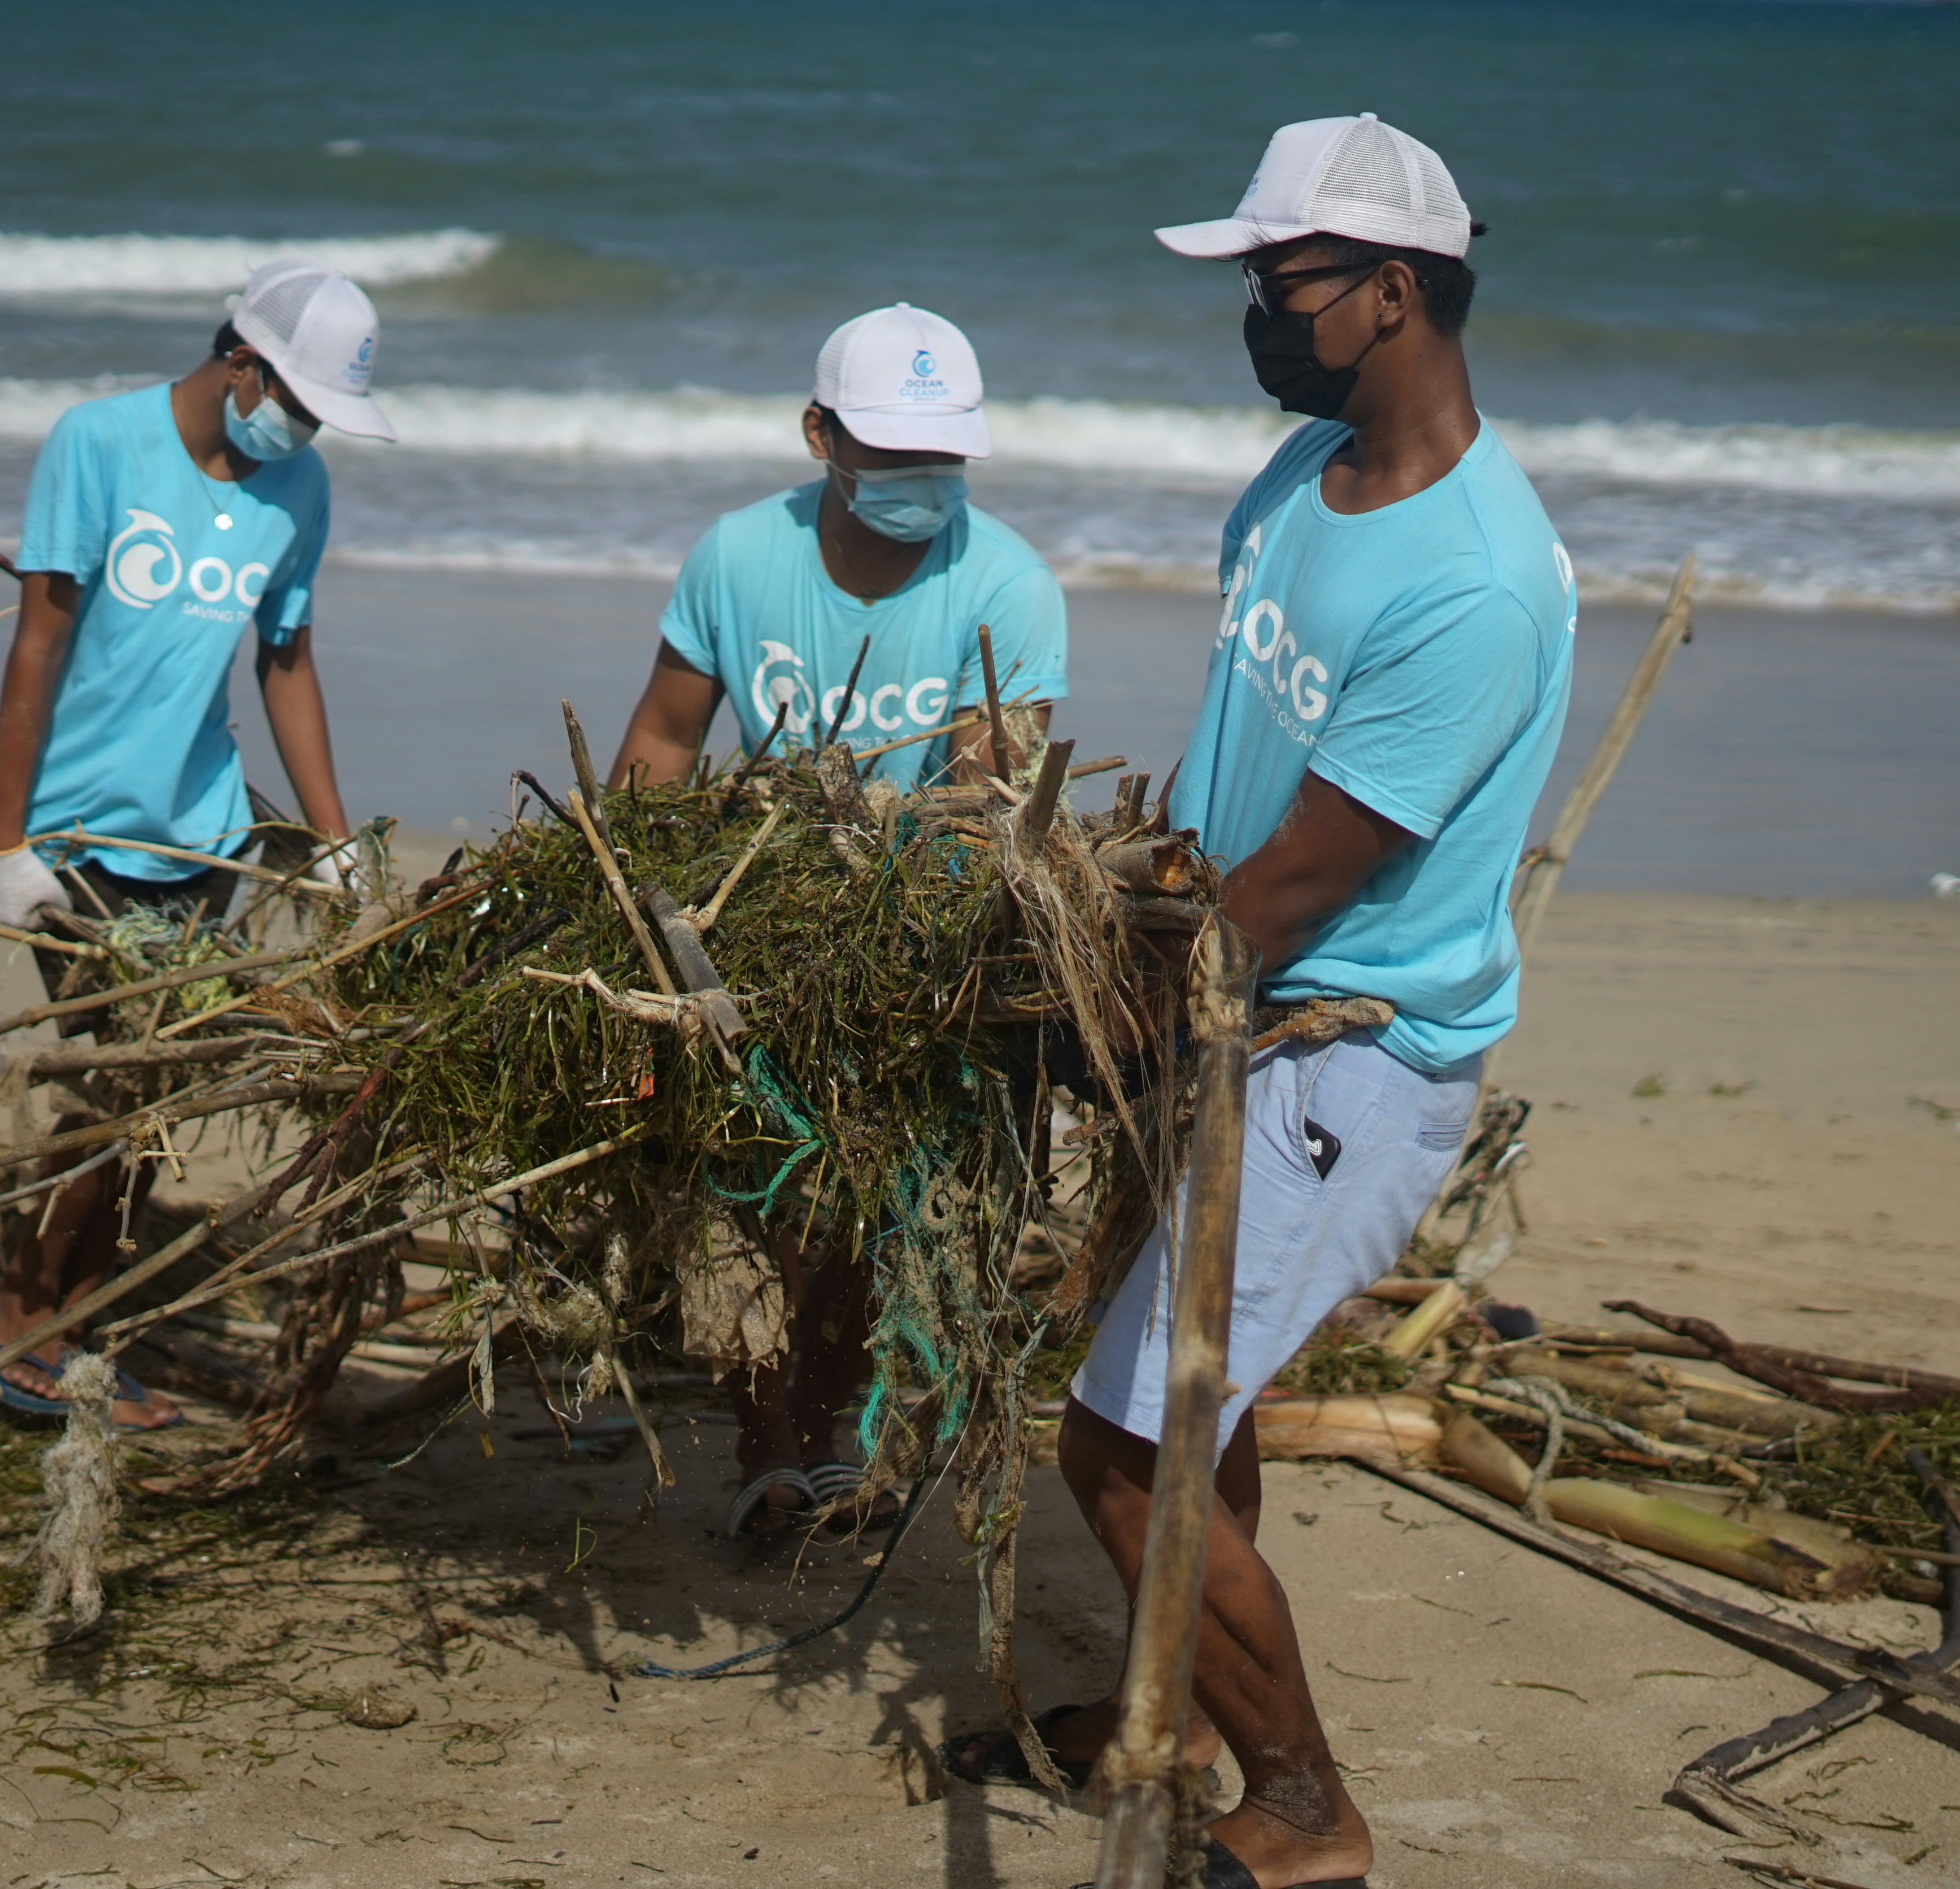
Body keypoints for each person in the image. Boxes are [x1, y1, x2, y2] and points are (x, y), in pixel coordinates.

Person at [946, 115, 1574, 1889]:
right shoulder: (1300, 482)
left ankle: (1304, 1803)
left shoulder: (1476, 585)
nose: (1250, 316)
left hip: (1337, 1058)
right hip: (1231, 1001)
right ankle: (1182, 1711)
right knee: (1189, 1410)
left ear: (1390, 295)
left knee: (1121, 1449)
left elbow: (1308, 877)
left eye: (1275, 283)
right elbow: (1242, 795)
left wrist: (1096, 1020)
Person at [606, 302, 1069, 1534]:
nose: (923, 482)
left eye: (943, 457)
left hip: (910, 929)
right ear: (821, 433)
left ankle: (843, 1415)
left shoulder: (1010, 585)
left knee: (870, 1188)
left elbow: (988, 796)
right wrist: (619, 894)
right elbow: (662, 737)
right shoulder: (737, 558)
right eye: (892, 452)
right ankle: (767, 1434)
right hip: (748, 905)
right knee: (752, 1190)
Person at [0, 258, 395, 1428]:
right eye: (296, 403)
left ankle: (82, 1319)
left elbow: (287, 661)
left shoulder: (297, 488)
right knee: (117, 1078)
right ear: (242, 361)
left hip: (201, 834)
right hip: (77, 828)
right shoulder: (98, 444)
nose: (302, 431)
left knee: (156, 1095)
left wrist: (334, 839)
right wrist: (7, 839)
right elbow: (38, 644)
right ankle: (21, 1315)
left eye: (318, 419)